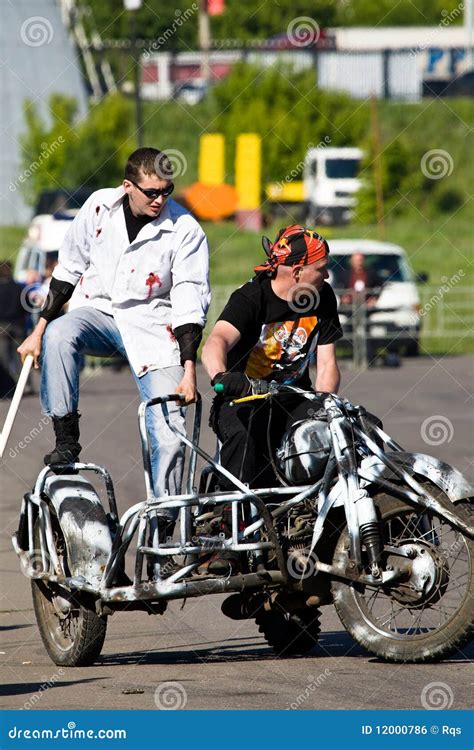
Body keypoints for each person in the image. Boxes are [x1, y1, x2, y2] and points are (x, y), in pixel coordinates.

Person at [18, 147, 210, 540]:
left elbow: (190, 300)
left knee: (170, 427)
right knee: (59, 334)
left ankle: (163, 516)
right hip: (100, 311)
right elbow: (68, 268)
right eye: (151, 191)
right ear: (128, 187)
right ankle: (66, 441)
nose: (160, 199)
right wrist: (38, 330)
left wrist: (189, 370)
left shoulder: (186, 230)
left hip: (154, 326)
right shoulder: (98, 208)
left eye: (167, 191)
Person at [201, 225, 342, 574]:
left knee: (353, 429)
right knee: (245, 441)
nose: (327, 274)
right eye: (321, 267)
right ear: (297, 270)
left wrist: (326, 406)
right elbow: (216, 341)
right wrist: (221, 378)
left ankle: (353, 523)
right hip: (241, 401)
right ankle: (230, 543)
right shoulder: (253, 298)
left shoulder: (322, 297)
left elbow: (327, 365)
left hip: (293, 399)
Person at [0, 262, 27, 398]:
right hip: (18, 324)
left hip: (3, 326)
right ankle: (25, 386)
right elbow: (26, 306)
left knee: (4, 359)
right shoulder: (18, 287)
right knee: (21, 357)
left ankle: (9, 387)